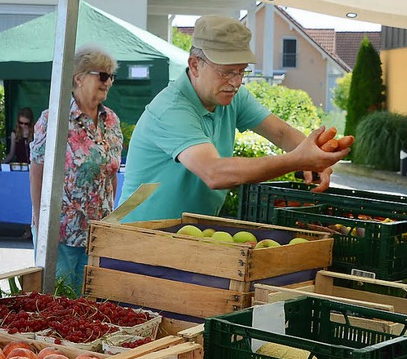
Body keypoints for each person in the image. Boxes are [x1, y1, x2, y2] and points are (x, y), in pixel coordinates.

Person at [120, 16, 350, 222]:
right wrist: (297, 160)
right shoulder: (170, 109)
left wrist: (316, 153)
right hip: (135, 235)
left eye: (241, 71)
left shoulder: (231, 97)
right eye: (226, 72)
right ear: (194, 65)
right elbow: (215, 172)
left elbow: (280, 133)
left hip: (187, 234)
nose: (236, 82)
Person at [30, 44, 123, 295]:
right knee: (58, 301)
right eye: (102, 75)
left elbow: (111, 173)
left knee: (91, 303)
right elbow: (37, 169)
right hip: (61, 231)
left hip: (97, 233)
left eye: (111, 76)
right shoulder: (54, 118)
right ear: (79, 78)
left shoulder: (111, 121)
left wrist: (111, 217)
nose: (108, 82)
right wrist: (40, 221)